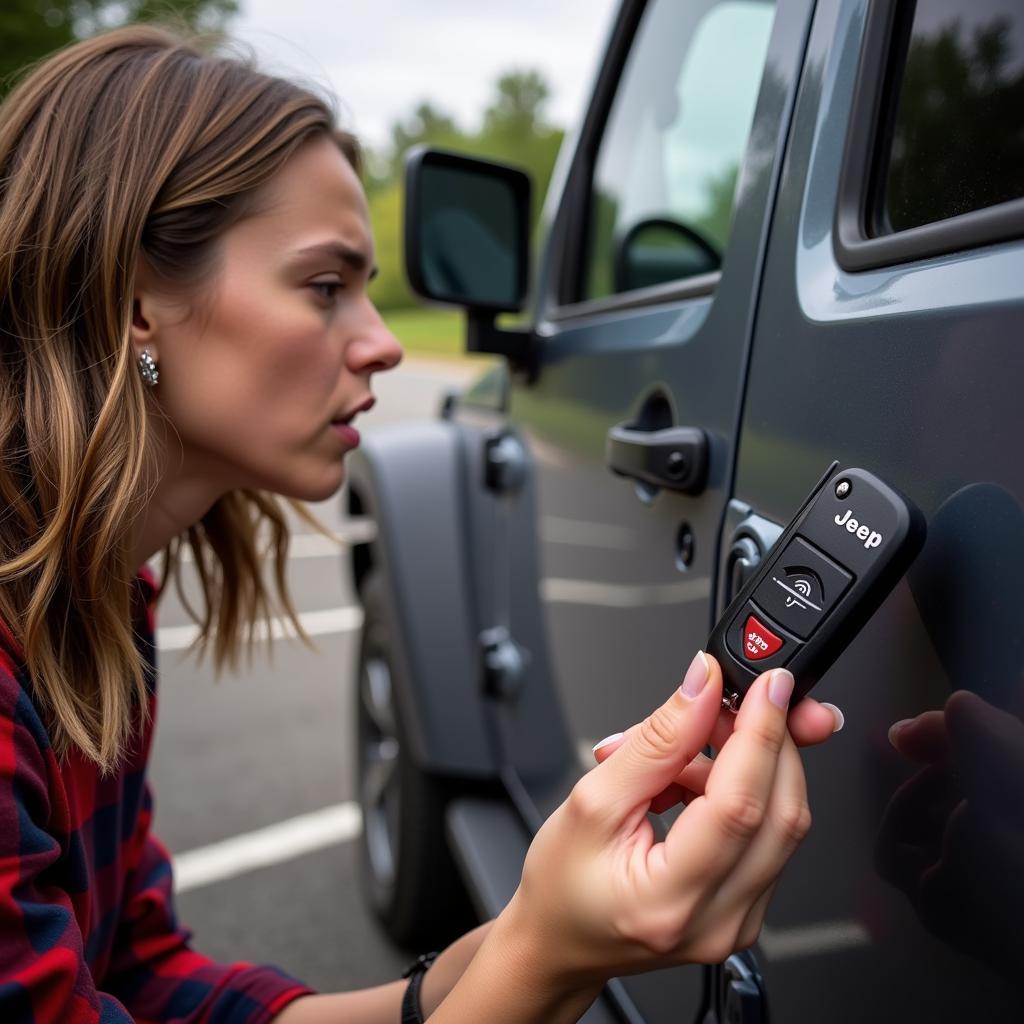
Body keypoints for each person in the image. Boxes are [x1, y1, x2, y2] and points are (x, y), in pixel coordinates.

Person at [0, 25, 842, 1024]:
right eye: (324, 286)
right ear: (135, 302)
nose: (388, 344)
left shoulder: (102, 599)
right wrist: (541, 958)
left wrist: (516, 937)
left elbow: (141, 981)